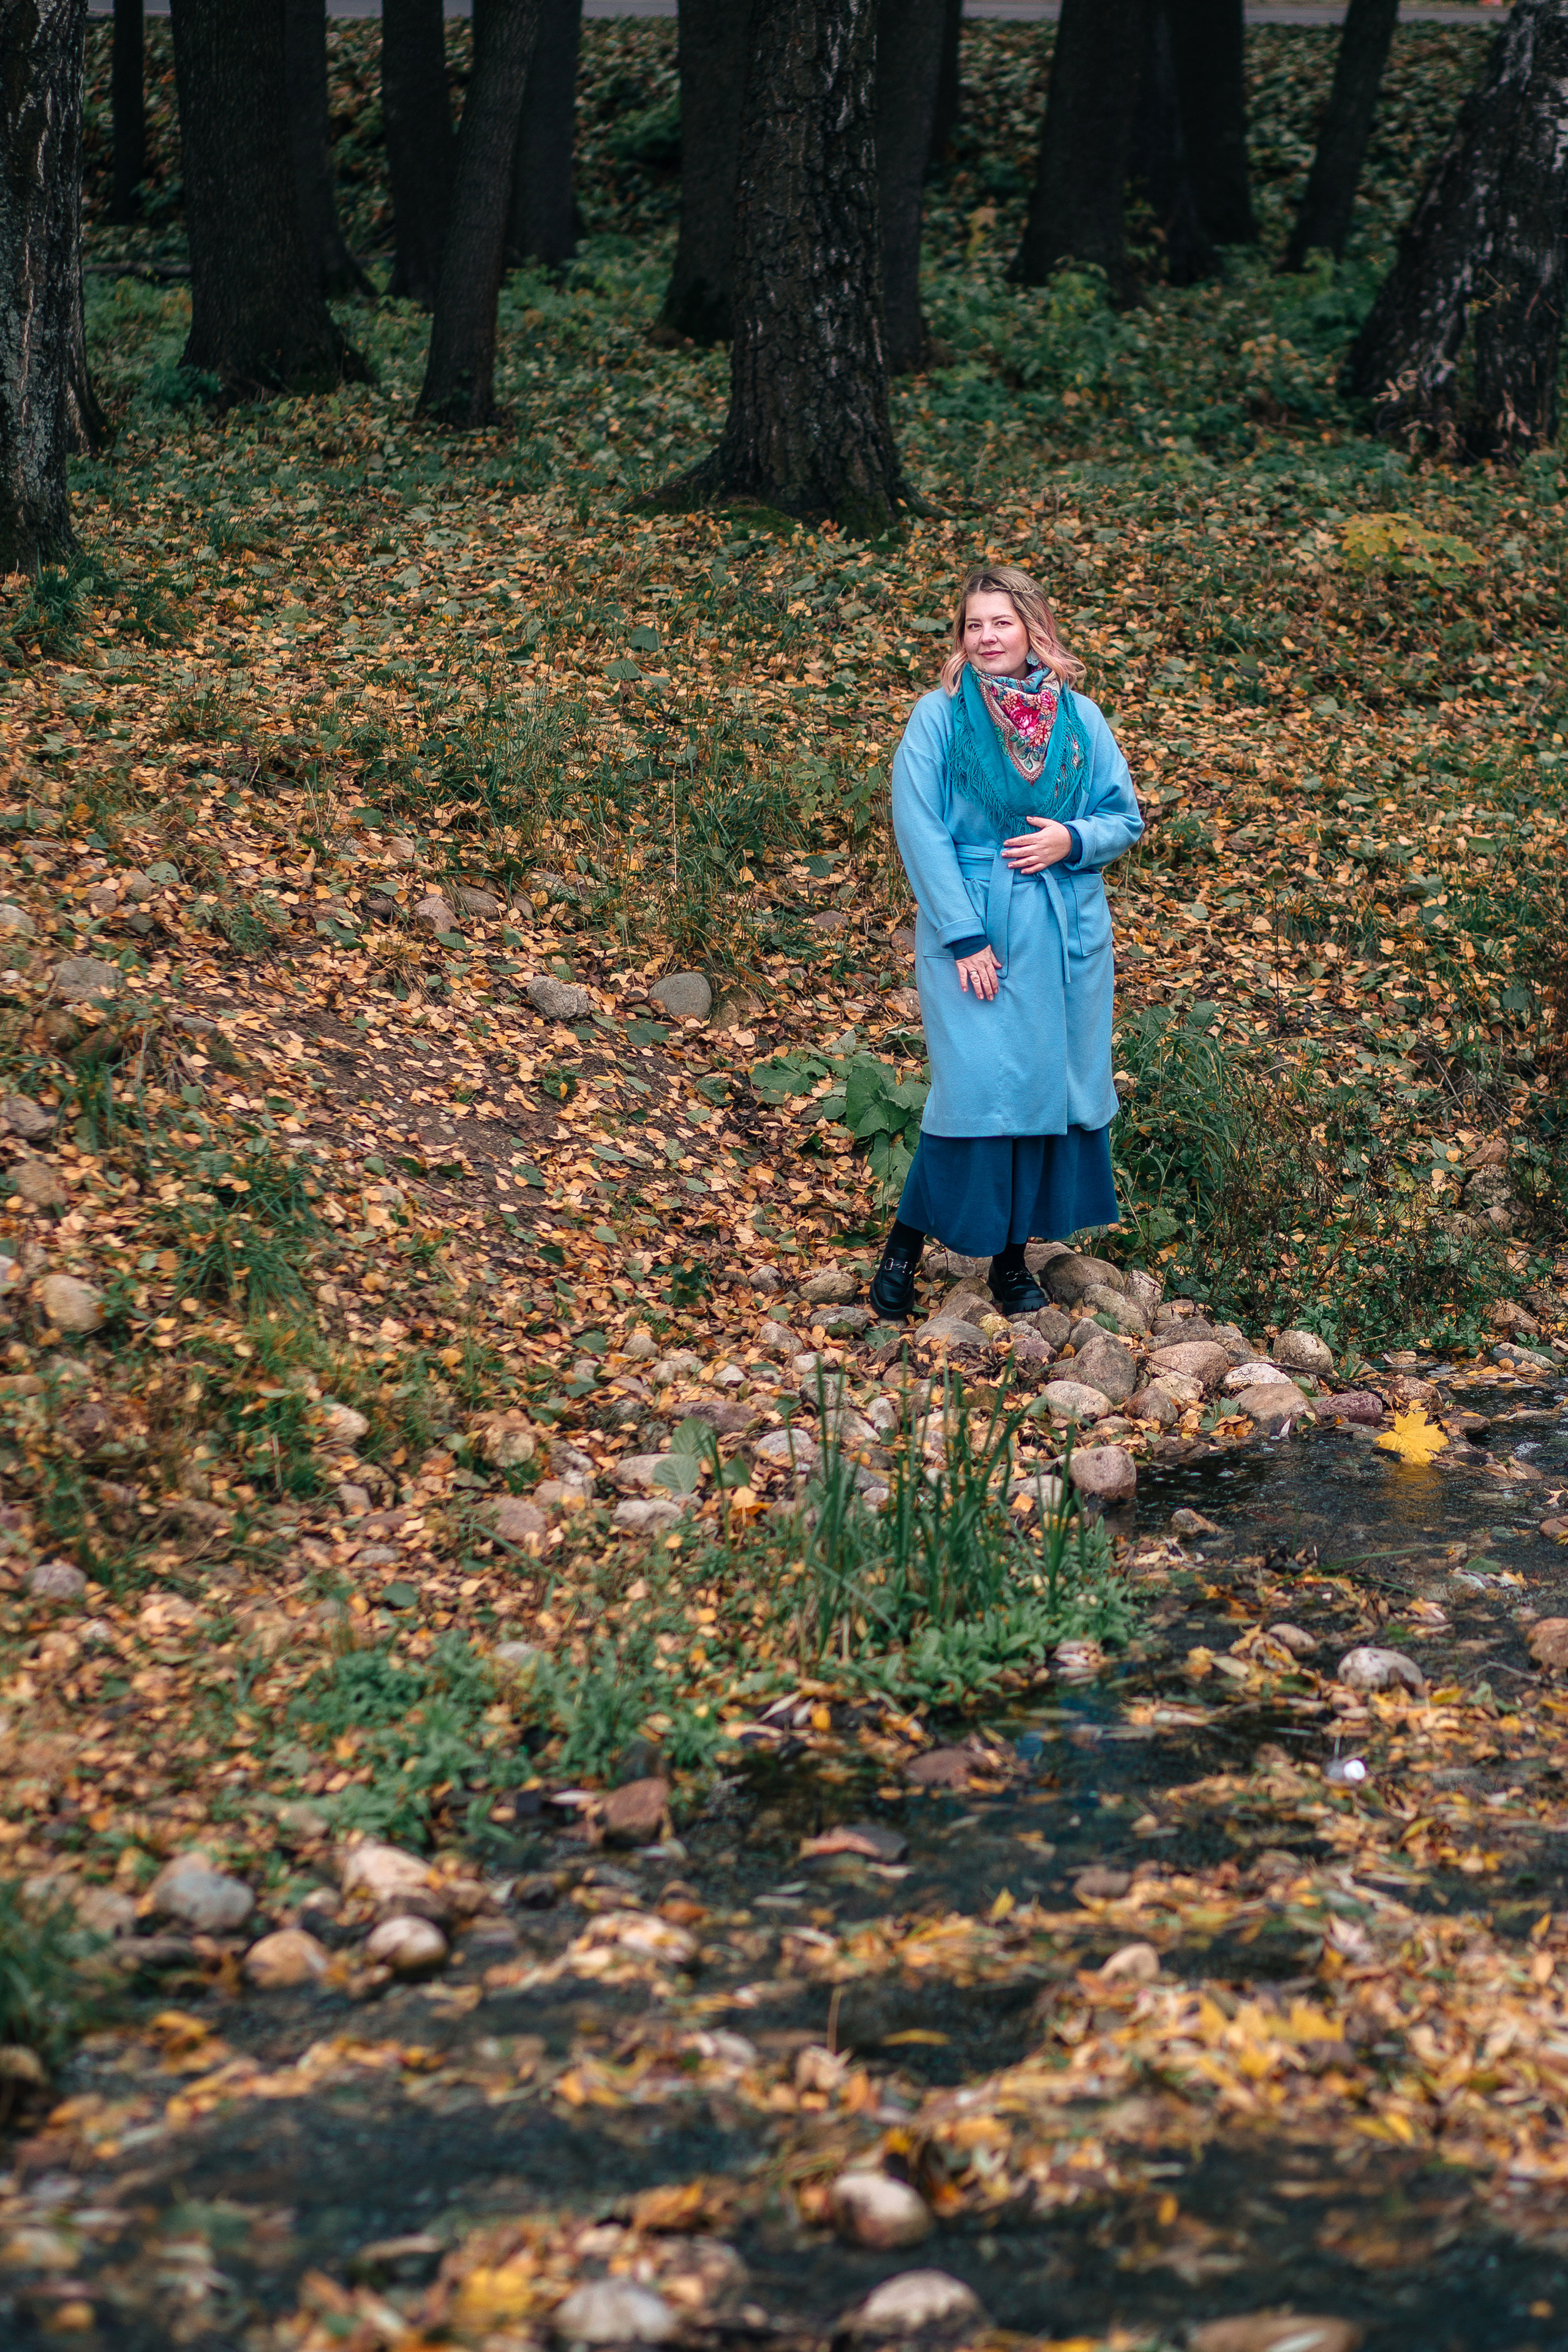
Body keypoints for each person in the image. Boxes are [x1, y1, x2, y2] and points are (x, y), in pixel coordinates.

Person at [869, 564, 1144, 1322]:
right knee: (976, 1093)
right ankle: (904, 1243)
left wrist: (1071, 837)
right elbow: (918, 827)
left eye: (1001, 622)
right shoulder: (940, 716)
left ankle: (1011, 1262)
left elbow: (1123, 817)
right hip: (976, 924)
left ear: (1033, 630)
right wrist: (962, 938)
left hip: (1063, 929)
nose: (986, 637)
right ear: (960, 638)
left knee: (1041, 1094)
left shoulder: (1080, 719)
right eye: (972, 625)